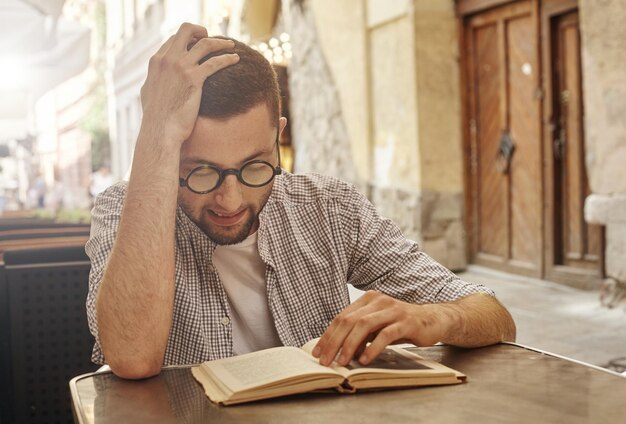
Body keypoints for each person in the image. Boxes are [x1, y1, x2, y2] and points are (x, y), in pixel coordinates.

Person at [86, 23, 516, 380]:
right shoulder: (122, 209)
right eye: (201, 171)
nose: (230, 199)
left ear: (279, 137)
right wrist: (155, 136)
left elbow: (493, 313)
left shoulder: (328, 206)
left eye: (255, 165)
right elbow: (131, 356)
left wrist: (436, 319)